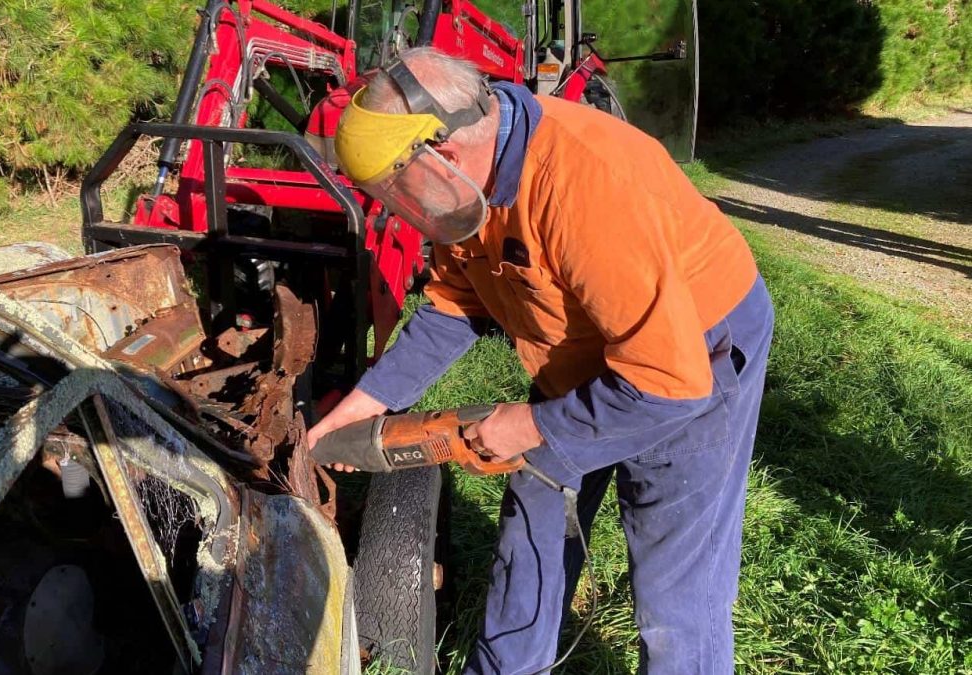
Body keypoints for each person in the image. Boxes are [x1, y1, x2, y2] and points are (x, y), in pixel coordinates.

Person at [308, 47, 774, 674]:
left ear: (440, 156)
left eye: (395, 192)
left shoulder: (586, 186)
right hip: (590, 345)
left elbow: (668, 379)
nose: (398, 210)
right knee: (533, 522)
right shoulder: (468, 182)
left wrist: (533, 425)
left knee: (673, 578)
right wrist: (368, 402)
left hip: (693, 351)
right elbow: (456, 301)